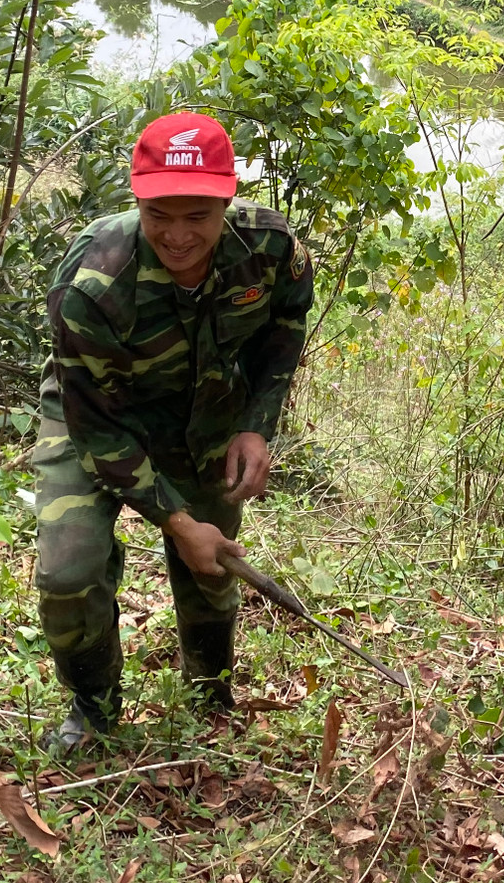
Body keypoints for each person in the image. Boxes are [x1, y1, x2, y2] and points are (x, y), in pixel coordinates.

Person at [31, 113, 314, 752]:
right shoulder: (96, 282)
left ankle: (209, 692)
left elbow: (285, 329)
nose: (178, 235)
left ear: (226, 201)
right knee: (68, 569)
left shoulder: (269, 249)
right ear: (137, 199)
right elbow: (97, 425)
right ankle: (94, 708)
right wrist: (176, 521)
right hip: (98, 411)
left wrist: (254, 425)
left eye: (197, 216)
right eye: (160, 214)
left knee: (214, 566)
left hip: (209, 407)